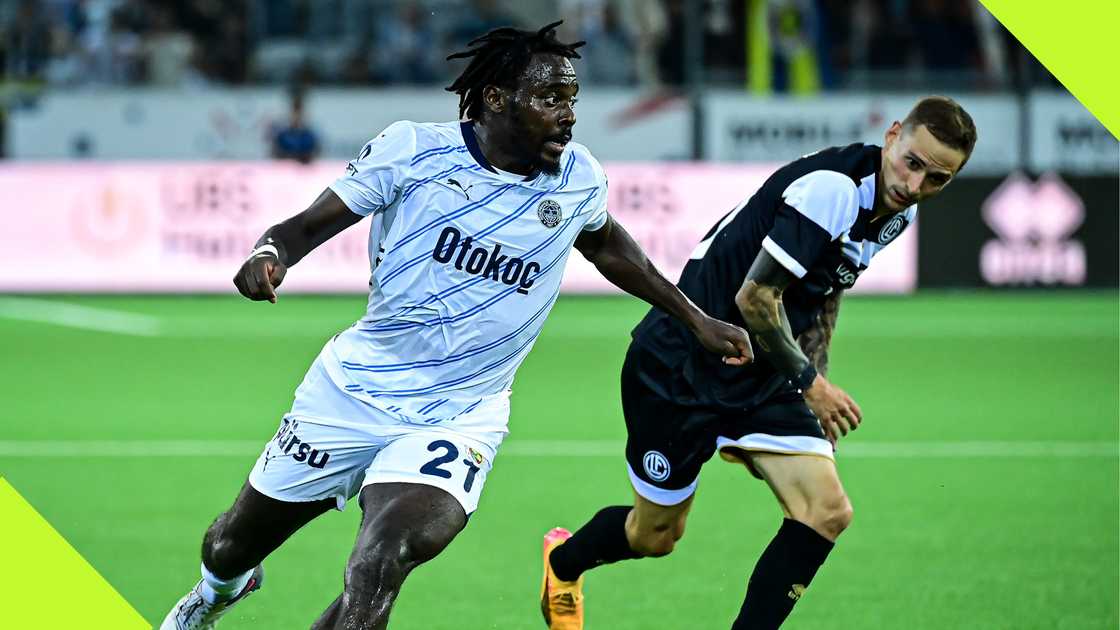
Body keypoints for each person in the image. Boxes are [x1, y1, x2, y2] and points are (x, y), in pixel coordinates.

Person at [160, 21, 752, 630]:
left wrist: (696, 319)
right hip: (352, 393)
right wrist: (269, 254)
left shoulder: (577, 178)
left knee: (383, 558)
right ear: (495, 98)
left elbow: (608, 247)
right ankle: (216, 593)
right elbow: (305, 226)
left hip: (461, 415)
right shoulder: (413, 150)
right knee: (229, 545)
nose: (568, 115)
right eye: (550, 99)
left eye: (573, 100)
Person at [541, 96, 977, 630]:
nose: (914, 186)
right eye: (913, 163)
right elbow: (756, 298)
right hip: (682, 364)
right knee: (654, 536)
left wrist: (814, 382)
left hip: (764, 366)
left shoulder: (896, 214)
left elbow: (822, 297)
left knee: (827, 512)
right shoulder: (834, 190)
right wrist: (810, 384)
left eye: (937, 180)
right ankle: (564, 564)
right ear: (892, 136)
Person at [271, 88, 320, 164]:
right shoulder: (282, 135)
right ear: (290, 112)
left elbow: (316, 155)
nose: (297, 116)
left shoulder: (310, 136)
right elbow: (275, 155)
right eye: (294, 112)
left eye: (299, 112)